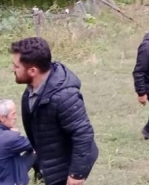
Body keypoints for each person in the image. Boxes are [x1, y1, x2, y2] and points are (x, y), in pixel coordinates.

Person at [10, 37, 98, 185]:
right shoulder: (34, 86)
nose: (13, 69)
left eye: (16, 66)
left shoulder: (65, 96)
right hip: (48, 158)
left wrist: (76, 174)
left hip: (65, 165)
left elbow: (83, 134)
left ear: (33, 71)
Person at [0, 99, 35, 185]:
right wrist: (16, 134)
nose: (16, 117)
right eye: (13, 114)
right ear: (2, 117)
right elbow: (34, 143)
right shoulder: (9, 138)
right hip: (10, 181)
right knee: (37, 148)